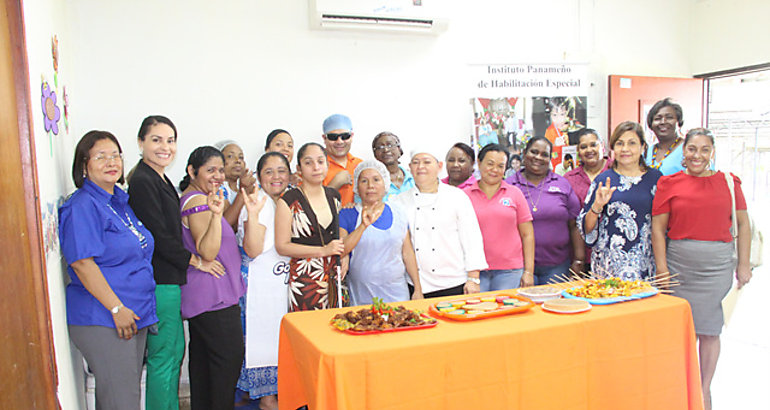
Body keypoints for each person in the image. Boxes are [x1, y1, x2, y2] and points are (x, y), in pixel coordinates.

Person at [128, 116, 224, 410]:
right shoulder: (143, 181)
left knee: (172, 354)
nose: (164, 147)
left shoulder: (158, 177)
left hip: (169, 279)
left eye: (170, 140)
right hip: (160, 280)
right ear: (141, 142)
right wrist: (195, 260)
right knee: (165, 357)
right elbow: (158, 234)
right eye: (156, 139)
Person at [651, 128, 752, 410]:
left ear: (712, 152)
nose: (697, 155)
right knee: (682, 331)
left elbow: (743, 225)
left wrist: (743, 264)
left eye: (704, 149)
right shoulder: (668, 183)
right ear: (683, 152)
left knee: (710, 330)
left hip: (717, 266)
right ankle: (683, 388)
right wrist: (662, 267)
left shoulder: (729, 182)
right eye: (692, 149)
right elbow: (658, 229)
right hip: (680, 264)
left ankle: (704, 392)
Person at [59, 131, 157, 410]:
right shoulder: (82, 206)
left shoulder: (118, 202)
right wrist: (116, 308)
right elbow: (82, 263)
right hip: (105, 317)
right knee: (122, 401)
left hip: (132, 314)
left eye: (115, 155)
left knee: (118, 397)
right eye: (100, 157)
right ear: (84, 165)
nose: (110, 162)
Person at [179, 146, 248, 410]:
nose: (218, 175)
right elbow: (207, 251)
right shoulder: (197, 202)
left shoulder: (204, 198)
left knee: (206, 371)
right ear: (191, 171)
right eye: (210, 170)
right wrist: (216, 214)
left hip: (210, 298)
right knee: (226, 365)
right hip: (213, 298)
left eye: (220, 170)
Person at [391, 145, 487, 298]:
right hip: (417, 285)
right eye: (415, 163)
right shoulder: (398, 202)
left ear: (439, 166)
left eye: (427, 162)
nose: (420, 167)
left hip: (455, 281)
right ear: (409, 168)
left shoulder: (457, 197)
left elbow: (472, 239)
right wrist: (416, 287)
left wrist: (473, 278)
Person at [236, 152, 292, 410]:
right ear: (259, 177)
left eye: (281, 170)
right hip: (260, 288)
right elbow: (253, 250)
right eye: (268, 172)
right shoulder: (257, 203)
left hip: (285, 288)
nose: (276, 177)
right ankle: (268, 399)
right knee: (265, 342)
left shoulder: (293, 202)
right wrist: (254, 216)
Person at [578, 122, 662, 280]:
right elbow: (586, 228)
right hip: (609, 265)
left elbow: (663, 224)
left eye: (632, 143)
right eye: (620, 143)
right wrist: (597, 206)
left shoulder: (656, 179)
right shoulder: (603, 180)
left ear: (643, 147)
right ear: (612, 148)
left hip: (645, 261)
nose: (625, 149)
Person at [339, 160, 423, 305]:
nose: (370, 186)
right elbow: (342, 250)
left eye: (376, 180)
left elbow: (407, 253)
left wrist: (417, 288)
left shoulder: (398, 213)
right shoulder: (348, 214)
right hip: (362, 294)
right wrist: (363, 226)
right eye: (364, 181)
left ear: (385, 184)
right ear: (357, 187)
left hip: (397, 292)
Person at [275, 143, 346, 311]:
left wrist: (344, 256)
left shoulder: (334, 196)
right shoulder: (288, 200)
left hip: (335, 277)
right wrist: (323, 251)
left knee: (338, 330)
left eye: (320, 161)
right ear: (299, 168)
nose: (316, 167)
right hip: (305, 280)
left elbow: (337, 235)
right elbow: (282, 246)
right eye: (308, 163)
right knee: (308, 332)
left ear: (327, 165)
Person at [505, 136, 584, 285]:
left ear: (550, 159)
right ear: (524, 154)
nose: (538, 158)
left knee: (554, 306)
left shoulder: (562, 184)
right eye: (534, 152)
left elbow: (575, 225)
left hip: (557, 265)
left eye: (544, 154)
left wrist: (579, 259)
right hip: (518, 267)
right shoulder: (509, 185)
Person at [463, 144, 535, 291]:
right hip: (475, 272)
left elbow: (527, 235)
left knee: (506, 312)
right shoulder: (464, 196)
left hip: (510, 271)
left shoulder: (515, 194)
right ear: (479, 162)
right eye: (490, 164)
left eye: (500, 166)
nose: (494, 170)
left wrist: (529, 271)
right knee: (478, 311)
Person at [321, 114, 363, 206]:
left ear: (351, 136)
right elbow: (308, 205)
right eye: (333, 137)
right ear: (324, 138)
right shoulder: (316, 167)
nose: (339, 141)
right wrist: (334, 185)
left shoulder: (361, 165)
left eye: (345, 136)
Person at [214, 140, 257, 228]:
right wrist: (243, 191)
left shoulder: (249, 187)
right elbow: (226, 225)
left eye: (241, 157)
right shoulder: (218, 188)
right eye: (230, 156)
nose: (237, 161)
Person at [645, 98, 685, 175]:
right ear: (651, 124)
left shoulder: (689, 150)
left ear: (679, 122)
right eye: (658, 118)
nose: (663, 122)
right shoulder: (647, 152)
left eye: (669, 117)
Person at [371, 131, 415, 201]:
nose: (386, 150)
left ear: (399, 150)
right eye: (380, 147)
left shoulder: (414, 178)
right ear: (375, 154)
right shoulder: (370, 183)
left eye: (390, 145)